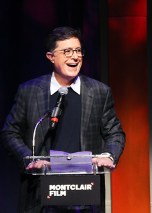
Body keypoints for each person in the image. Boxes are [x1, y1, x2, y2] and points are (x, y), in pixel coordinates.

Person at [0, 26, 126, 212]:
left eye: (77, 51)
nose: (74, 57)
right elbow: (10, 132)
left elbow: (115, 132)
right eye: (67, 51)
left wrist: (108, 155)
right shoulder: (30, 91)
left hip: (84, 193)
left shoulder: (99, 91)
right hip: (40, 193)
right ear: (51, 56)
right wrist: (29, 159)